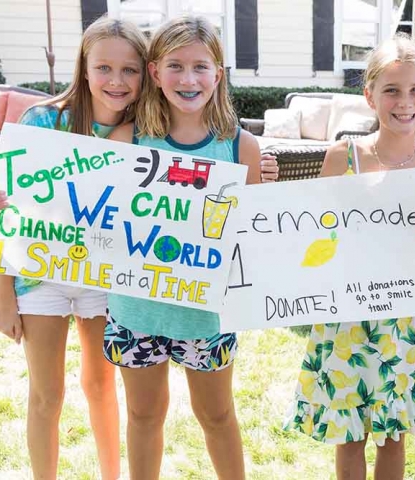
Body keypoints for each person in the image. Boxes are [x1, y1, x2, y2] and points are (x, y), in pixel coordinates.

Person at [0, 17, 149, 480]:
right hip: (39, 277)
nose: (116, 81)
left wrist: (257, 169)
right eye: (104, 67)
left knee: (101, 384)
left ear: (144, 75)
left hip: (105, 280)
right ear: (83, 68)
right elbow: (8, 214)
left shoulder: (148, 132)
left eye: (130, 70)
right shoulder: (42, 120)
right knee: (47, 394)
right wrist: (2, 296)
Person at [101, 15, 265, 480]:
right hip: (137, 310)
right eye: (175, 66)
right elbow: (98, 218)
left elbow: (257, 234)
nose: (188, 79)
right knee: (143, 417)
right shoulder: (128, 139)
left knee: (216, 416)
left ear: (218, 73)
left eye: (200, 67)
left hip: (206, 314)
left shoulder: (240, 147)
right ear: (154, 73)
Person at [284, 34, 415, 480]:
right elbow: (315, 234)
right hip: (346, 319)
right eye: (392, 90)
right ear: (370, 95)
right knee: (350, 435)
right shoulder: (343, 157)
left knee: (395, 435)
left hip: (404, 320)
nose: (405, 102)